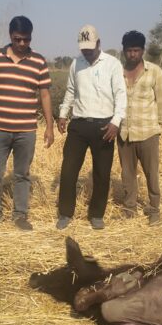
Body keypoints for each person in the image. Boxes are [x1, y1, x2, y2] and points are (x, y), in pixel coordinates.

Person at [0, 16, 54, 231]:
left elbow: (45, 95)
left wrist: (49, 126)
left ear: (30, 38)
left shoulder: (38, 61)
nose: (21, 44)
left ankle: (20, 215)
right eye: (17, 39)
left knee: (22, 175)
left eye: (26, 40)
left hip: (26, 130)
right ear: (10, 36)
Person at [56, 25, 126, 230]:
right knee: (68, 171)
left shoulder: (112, 64)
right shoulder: (75, 64)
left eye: (89, 47)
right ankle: (65, 213)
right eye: (83, 48)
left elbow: (121, 94)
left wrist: (116, 121)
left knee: (102, 173)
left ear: (99, 43)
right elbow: (70, 91)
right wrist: (62, 113)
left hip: (105, 126)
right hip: (78, 125)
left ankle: (96, 214)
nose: (86, 51)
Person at [117, 30, 162, 226]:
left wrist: (160, 123)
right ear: (124, 51)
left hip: (148, 131)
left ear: (143, 51)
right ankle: (129, 207)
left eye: (136, 50)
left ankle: (154, 209)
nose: (132, 55)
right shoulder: (117, 71)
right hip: (124, 132)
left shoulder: (154, 71)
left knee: (151, 173)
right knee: (127, 174)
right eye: (129, 50)